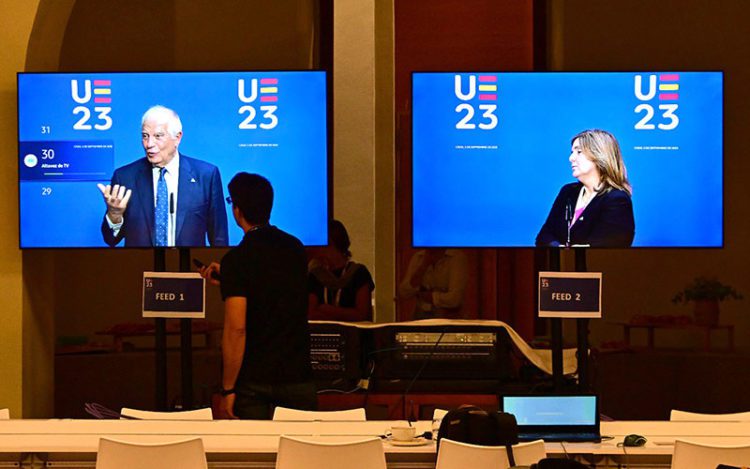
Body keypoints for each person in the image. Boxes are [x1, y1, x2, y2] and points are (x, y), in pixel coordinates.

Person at [199, 173, 315, 419]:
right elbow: (276, 289)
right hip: (297, 373)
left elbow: (236, 329)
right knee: (301, 453)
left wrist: (227, 388)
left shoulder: (238, 260)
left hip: (254, 380)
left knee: (253, 452)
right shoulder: (295, 249)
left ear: (238, 210)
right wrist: (228, 277)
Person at [97, 105, 228, 247]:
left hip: (188, 267)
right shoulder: (125, 177)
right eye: (145, 136)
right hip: (140, 267)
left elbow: (219, 238)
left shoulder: (206, 175)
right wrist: (115, 216)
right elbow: (110, 240)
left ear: (177, 138)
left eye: (158, 136)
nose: (149, 144)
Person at [536, 129, 635, 248]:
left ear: (599, 155)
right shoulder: (568, 192)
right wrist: (560, 250)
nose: (571, 158)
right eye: (572, 152)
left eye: (579, 152)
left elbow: (610, 247)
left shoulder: (616, 200)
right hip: (560, 265)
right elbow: (544, 236)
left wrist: (576, 252)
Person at [307, 219, 375, 322]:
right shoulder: (316, 275)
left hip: (353, 335)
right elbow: (310, 313)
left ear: (330, 242)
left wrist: (328, 310)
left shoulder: (358, 273)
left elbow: (362, 315)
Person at [398, 249, 468, 319]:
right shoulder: (419, 257)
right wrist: (424, 265)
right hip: (421, 314)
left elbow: (455, 298)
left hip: (447, 315)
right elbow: (404, 292)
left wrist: (431, 297)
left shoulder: (456, 257)